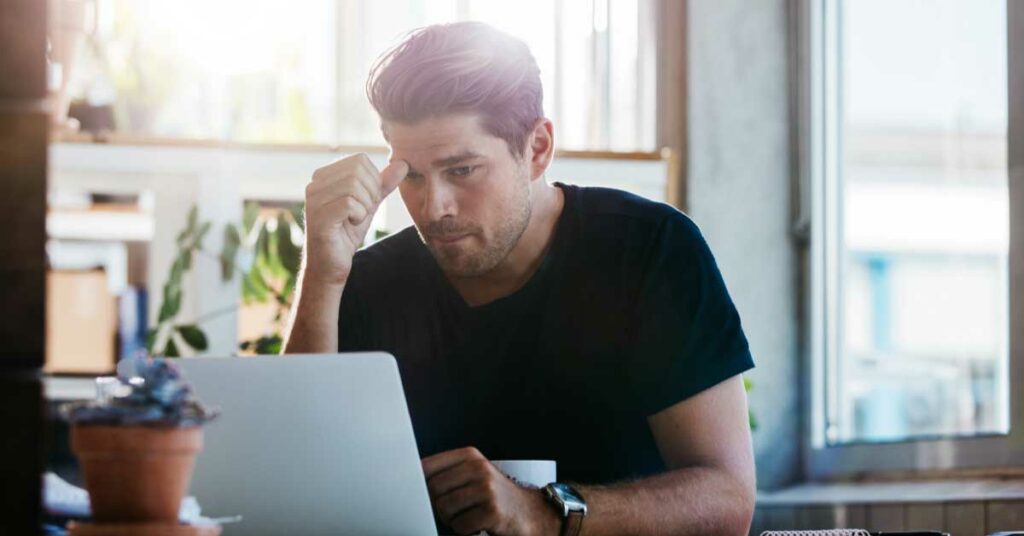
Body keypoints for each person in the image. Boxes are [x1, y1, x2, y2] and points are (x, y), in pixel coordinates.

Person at [284, 21, 756, 536]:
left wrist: (544, 511)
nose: (433, 208)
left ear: (537, 148)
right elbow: (291, 483)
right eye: (412, 175)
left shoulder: (651, 251)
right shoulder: (368, 282)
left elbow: (728, 498)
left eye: (462, 170)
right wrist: (324, 276)